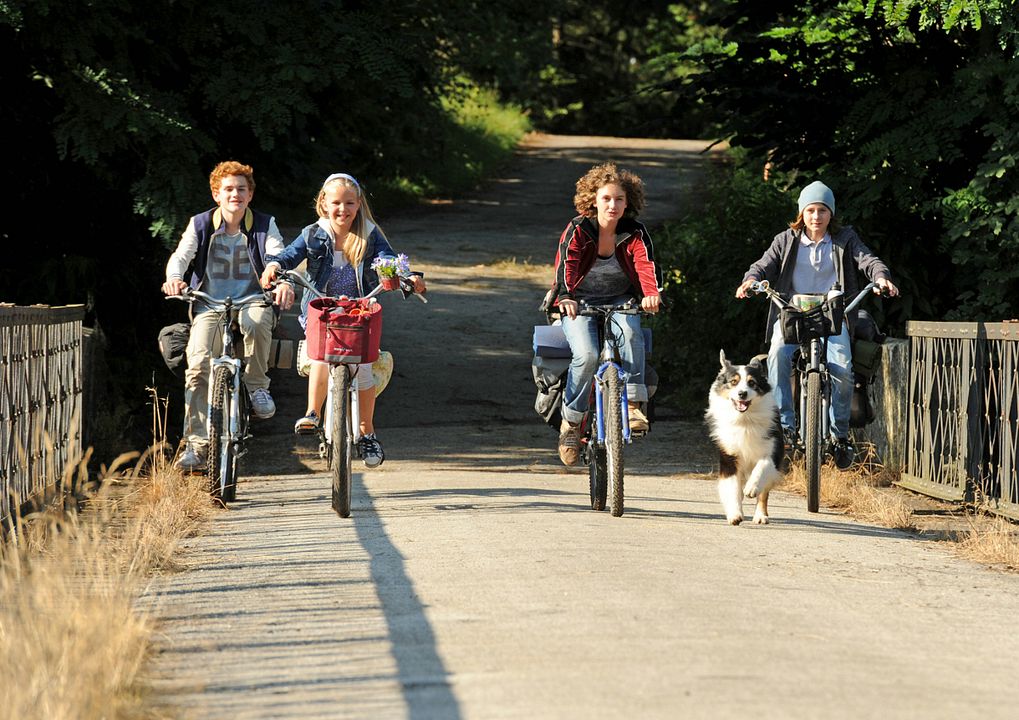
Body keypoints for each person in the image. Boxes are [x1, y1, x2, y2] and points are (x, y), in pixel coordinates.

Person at [260, 172, 425, 468]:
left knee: (362, 369)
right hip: (322, 311)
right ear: (324, 203)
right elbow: (289, 255)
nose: (343, 209)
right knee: (323, 358)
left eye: (350, 203)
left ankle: (367, 433)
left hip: (358, 312)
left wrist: (407, 277)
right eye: (336, 202)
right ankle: (313, 413)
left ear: (359, 204)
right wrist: (274, 266)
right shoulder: (313, 232)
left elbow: (388, 261)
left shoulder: (369, 233)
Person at [735, 180, 899, 469]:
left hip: (833, 314)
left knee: (842, 368)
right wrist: (750, 280)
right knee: (778, 356)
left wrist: (881, 277)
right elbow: (763, 265)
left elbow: (869, 261)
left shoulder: (845, 238)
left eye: (822, 210)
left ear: (830, 214)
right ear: (802, 212)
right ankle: (785, 428)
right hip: (792, 313)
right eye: (810, 210)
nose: (816, 217)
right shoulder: (786, 239)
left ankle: (840, 435)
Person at [162, 160, 295, 471]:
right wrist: (174, 277)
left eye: (242, 189)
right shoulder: (201, 224)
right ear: (216, 195)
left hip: (252, 299)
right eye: (229, 189)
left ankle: (257, 385)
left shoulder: (264, 224)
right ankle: (196, 447)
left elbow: (277, 254)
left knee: (259, 321)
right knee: (197, 363)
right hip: (209, 302)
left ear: (250, 196)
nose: (235, 194)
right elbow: (181, 255)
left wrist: (279, 276)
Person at [543, 162, 663, 467]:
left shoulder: (635, 232)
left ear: (628, 202)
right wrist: (566, 296)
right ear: (593, 201)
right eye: (606, 198)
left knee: (633, 333)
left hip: (621, 299)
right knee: (587, 355)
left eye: (619, 199)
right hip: (578, 300)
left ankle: (634, 404)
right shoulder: (579, 229)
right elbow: (565, 264)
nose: (613, 205)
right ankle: (571, 424)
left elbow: (646, 265)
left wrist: (651, 293)